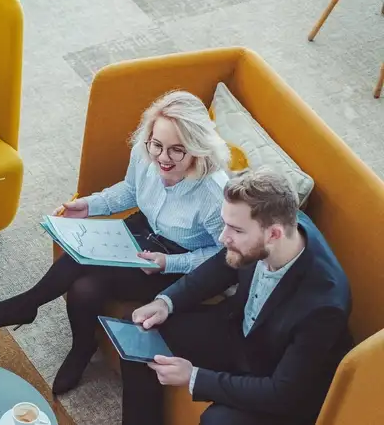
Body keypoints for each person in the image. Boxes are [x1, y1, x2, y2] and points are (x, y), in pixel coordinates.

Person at [0, 90, 232, 394]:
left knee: (85, 283)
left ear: (198, 149)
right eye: (158, 145)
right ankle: (70, 338)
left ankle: (29, 313)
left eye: (177, 150)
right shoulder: (145, 151)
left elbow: (224, 255)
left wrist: (171, 263)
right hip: (140, 229)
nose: (162, 157)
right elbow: (131, 190)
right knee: (82, 270)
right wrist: (90, 205)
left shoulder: (215, 193)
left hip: (175, 263)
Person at [122, 167, 353, 425]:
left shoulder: (323, 305)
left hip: (277, 374)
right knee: (137, 338)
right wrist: (166, 301)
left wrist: (194, 377)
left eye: (235, 230)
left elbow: (283, 393)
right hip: (239, 330)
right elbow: (225, 263)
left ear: (274, 234)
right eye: (225, 225)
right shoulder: (270, 229)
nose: (223, 238)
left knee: (218, 422)